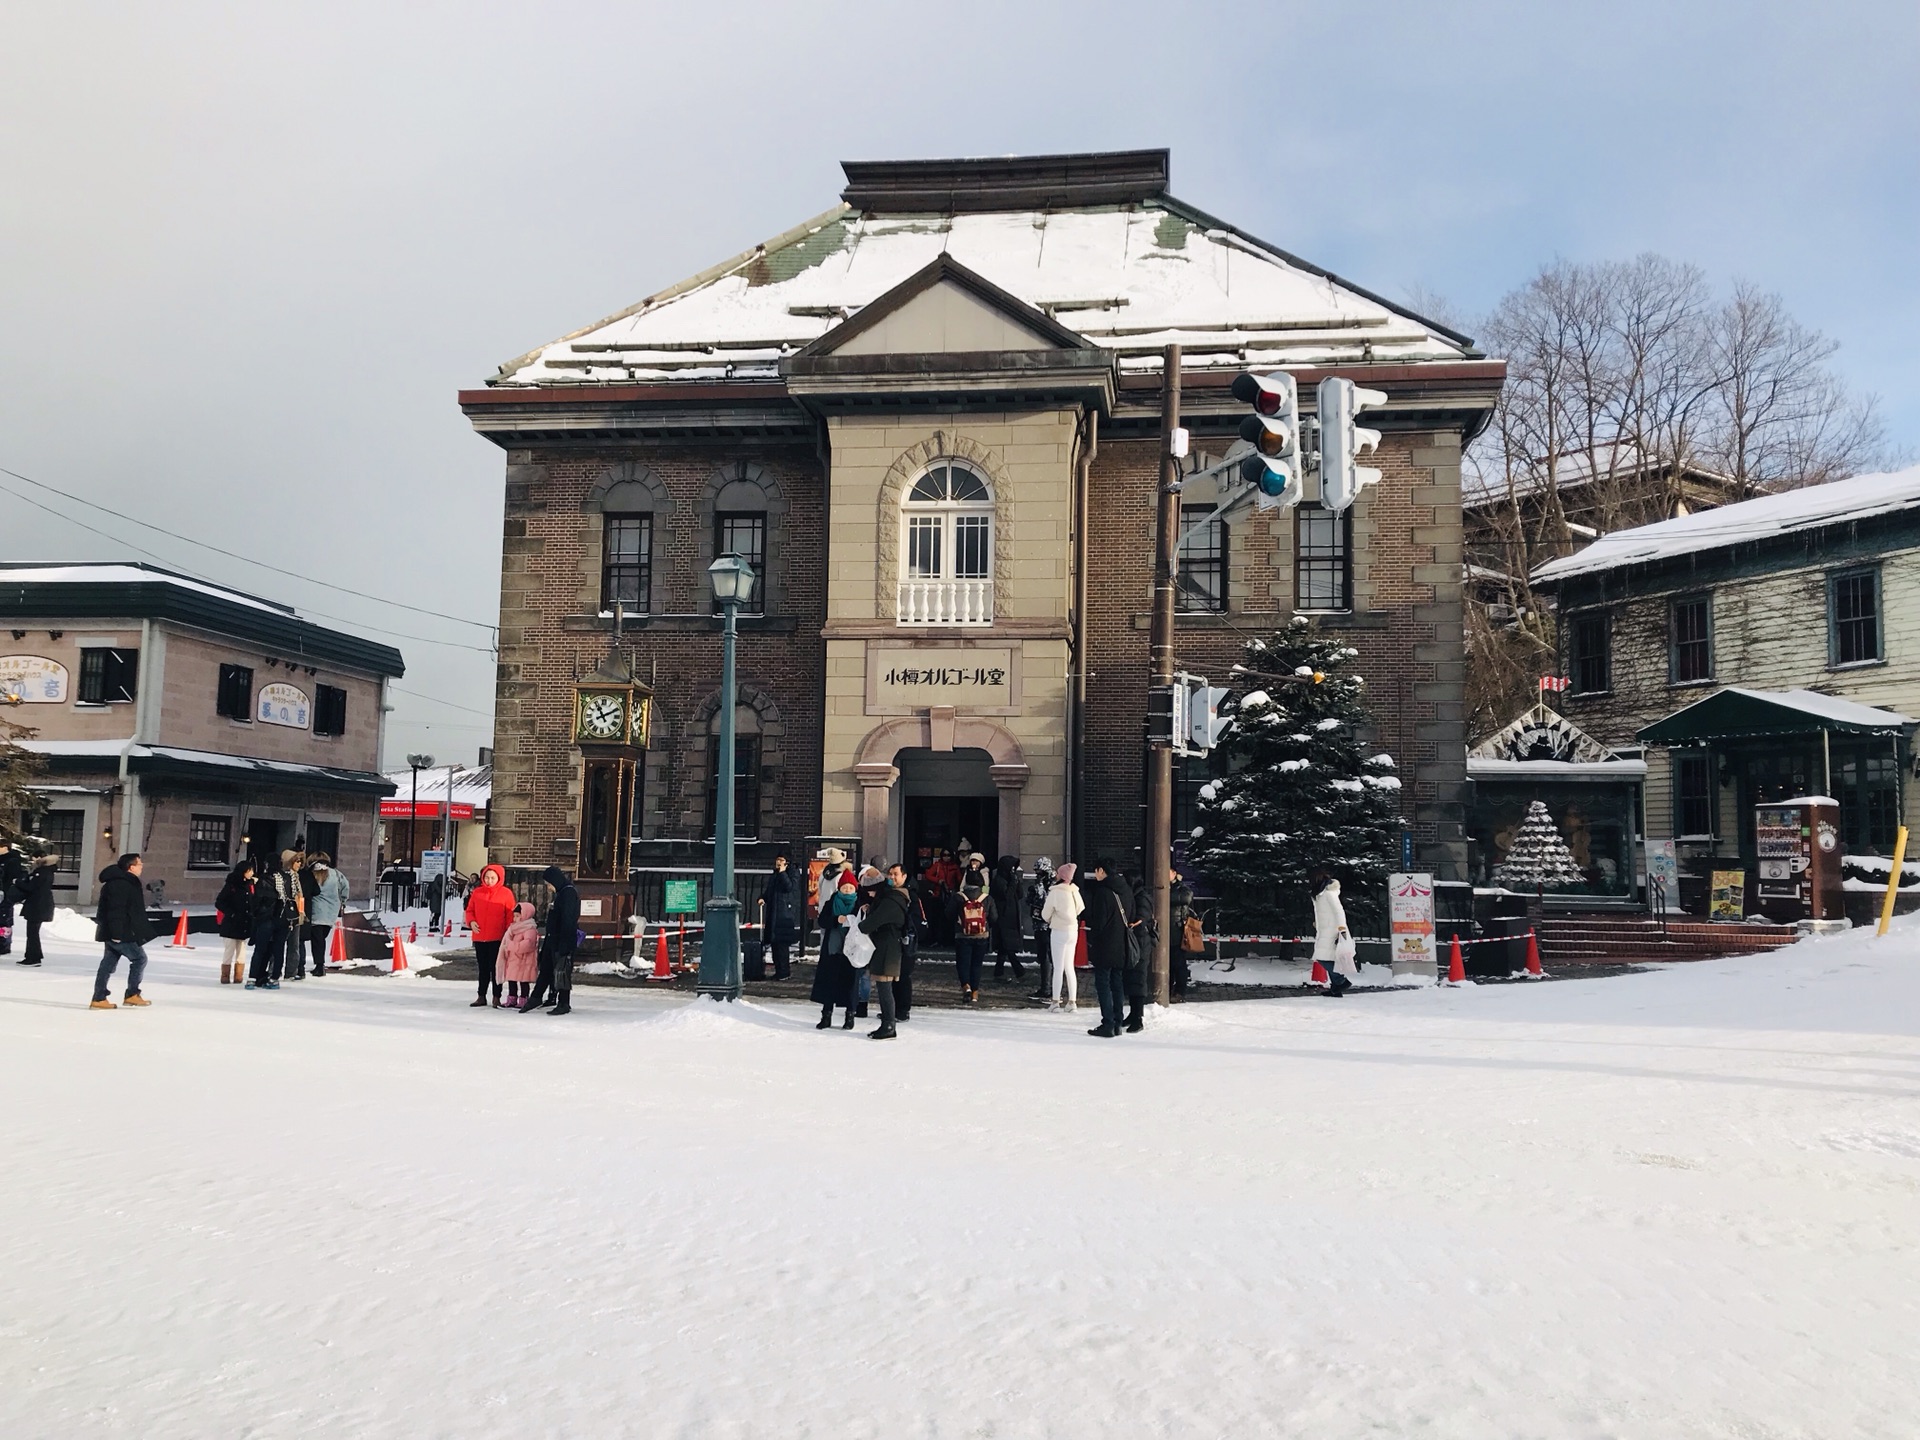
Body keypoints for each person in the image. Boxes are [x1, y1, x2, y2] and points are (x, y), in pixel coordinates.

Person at [91, 852, 153, 1009]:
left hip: (115, 930)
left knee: (108, 963)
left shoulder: (121, 881)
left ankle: (99, 998)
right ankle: (132, 994)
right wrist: (117, 933)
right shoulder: (122, 884)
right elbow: (116, 910)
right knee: (139, 959)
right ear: (131, 867)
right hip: (121, 932)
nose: (142, 867)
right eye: (140, 864)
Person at [859, 861, 912, 1039]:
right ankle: (888, 1024)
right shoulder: (893, 897)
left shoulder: (893, 899)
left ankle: (889, 1025)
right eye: (890, 874)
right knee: (884, 987)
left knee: (884, 987)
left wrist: (862, 925)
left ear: (904, 877)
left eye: (896, 874)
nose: (892, 877)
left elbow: (872, 923)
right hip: (888, 945)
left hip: (888, 948)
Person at [1082, 860, 1132, 1038]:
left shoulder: (1103, 892)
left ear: (1101, 871)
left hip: (1105, 945)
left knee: (1103, 984)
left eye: (1096, 871)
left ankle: (1108, 1024)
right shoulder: (1125, 889)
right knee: (1117, 983)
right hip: (1121, 945)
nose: (1095, 875)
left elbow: (1099, 922)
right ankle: (1118, 1022)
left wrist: (1093, 938)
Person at [524, 866, 580, 1015]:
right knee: (546, 969)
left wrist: (564, 944)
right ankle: (536, 997)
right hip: (553, 939)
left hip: (562, 940)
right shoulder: (562, 893)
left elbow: (568, 920)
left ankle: (563, 1002)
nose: (548, 888)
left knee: (561, 971)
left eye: (549, 884)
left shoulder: (568, 894)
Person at [811, 870, 859, 1029]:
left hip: (852, 948)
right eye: (845, 888)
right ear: (839, 888)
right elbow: (822, 920)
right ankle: (826, 1015)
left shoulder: (859, 903)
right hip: (832, 947)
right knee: (829, 981)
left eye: (850, 888)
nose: (847, 891)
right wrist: (835, 920)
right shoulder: (832, 902)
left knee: (851, 982)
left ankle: (850, 1016)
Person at [464, 863, 516, 1007]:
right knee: (483, 968)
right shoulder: (477, 892)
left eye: (493, 878)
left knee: (496, 968)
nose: (489, 880)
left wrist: (507, 934)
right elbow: (469, 911)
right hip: (480, 936)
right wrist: (471, 922)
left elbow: (510, 915)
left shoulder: (506, 893)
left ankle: (496, 996)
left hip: (497, 937)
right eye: (487, 877)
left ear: (499, 878)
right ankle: (481, 996)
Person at [1039, 861, 1084, 1013]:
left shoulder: (1055, 892)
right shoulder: (1074, 891)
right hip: (1073, 930)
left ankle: (1056, 1002)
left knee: (1058, 968)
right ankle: (1072, 1002)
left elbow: (1045, 914)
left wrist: (1054, 917)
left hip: (1058, 930)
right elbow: (1080, 908)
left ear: (1061, 876)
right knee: (1069, 967)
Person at [953, 853, 993, 1004]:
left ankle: (966, 987)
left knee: (963, 962)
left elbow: (948, 913)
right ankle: (975, 993)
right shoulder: (986, 898)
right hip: (982, 934)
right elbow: (994, 917)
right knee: (976, 964)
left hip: (962, 934)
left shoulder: (959, 897)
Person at [1310, 868, 1356, 997]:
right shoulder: (1320, 893)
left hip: (1332, 929)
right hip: (1325, 928)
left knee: (1321, 957)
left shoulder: (1328, 893)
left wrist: (1341, 928)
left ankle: (1341, 981)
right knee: (1330, 957)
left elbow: (1338, 910)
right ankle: (1336, 988)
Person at [248, 851, 288, 990]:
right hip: (283, 919)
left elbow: (257, 900)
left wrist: (257, 913)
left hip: (265, 918)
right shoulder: (286, 879)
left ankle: (253, 978)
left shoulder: (263, 880)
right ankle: (274, 978)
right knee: (278, 950)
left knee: (260, 950)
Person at [306, 853, 349, 976]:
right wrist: (342, 901)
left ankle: (319, 965)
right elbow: (345, 887)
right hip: (331, 910)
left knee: (317, 939)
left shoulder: (311, 874)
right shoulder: (336, 874)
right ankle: (320, 964)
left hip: (316, 910)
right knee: (322, 937)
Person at [215, 859, 257, 983]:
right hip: (231, 923)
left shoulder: (249, 885)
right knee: (229, 949)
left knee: (241, 950)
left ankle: (238, 975)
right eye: (250, 870)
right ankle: (225, 975)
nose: (252, 873)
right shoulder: (231, 886)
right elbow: (220, 902)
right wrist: (231, 913)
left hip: (244, 922)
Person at [760, 855, 801, 982]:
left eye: (781, 860)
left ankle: (784, 971)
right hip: (774, 913)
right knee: (775, 944)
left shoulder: (792, 873)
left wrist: (783, 873)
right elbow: (770, 891)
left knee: (782, 945)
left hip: (784, 913)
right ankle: (778, 970)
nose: (778, 863)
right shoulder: (775, 875)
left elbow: (789, 887)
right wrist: (763, 898)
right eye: (777, 860)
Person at [988, 855, 1025, 983]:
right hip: (1003, 915)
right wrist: (1013, 883)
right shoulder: (998, 880)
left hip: (1011, 915)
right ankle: (1018, 969)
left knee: (1004, 946)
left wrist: (1017, 881)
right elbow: (1006, 895)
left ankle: (999, 971)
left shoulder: (1010, 879)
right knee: (1007, 944)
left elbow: (1019, 895)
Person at [17, 854, 57, 966]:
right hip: (41, 904)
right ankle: (33, 956)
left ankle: (33, 957)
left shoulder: (41, 872)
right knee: (33, 932)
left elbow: (31, 887)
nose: (33, 860)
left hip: (37, 905)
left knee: (32, 933)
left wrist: (18, 882)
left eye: (34, 858)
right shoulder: (48, 871)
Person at [497, 901, 539, 1007]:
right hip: (513, 959)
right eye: (514, 916)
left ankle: (524, 998)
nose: (515, 919)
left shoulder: (530, 928)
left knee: (524, 981)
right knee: (512, 979)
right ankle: (512, 997)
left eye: (518, 916)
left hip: (524, 960)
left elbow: (528, 944)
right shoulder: (513, 928)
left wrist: (511, 945)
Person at [1025, 856, 1055, 1000]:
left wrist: (1039, 889)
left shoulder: (1052, 884)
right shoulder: (1041, 883)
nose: (1038, 875)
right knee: (1043, 957)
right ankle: (1046, 986)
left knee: (1047, 957)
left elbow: (1046, 901)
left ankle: (1048, 988)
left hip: (1048, 925)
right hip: (1039, 923)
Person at [277, 851, 308, 983]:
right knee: (282, 943)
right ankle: (278, 971)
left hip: (296, 914)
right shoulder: (285, 877)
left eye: (301, 861)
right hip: (287, 914)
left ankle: (290, 971)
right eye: (297, 861)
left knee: (294, 944)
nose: (299, 864)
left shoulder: (297, 876)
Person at [1169, 870, 1199, 1000]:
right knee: (1169, 963)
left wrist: (1164, 895)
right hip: (1166, 930)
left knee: (1178, 963)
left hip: (1177, 930)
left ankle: (1179, 991)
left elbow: (1186, 897)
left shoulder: (1181, 888)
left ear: (1174, 873)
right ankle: (1169, 989)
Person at [0, 838, 26, 956]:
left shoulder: (12, 860)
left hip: (6, 893)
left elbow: (13, 877)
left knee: (5, 919)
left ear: (5, 847)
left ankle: (4, 944)